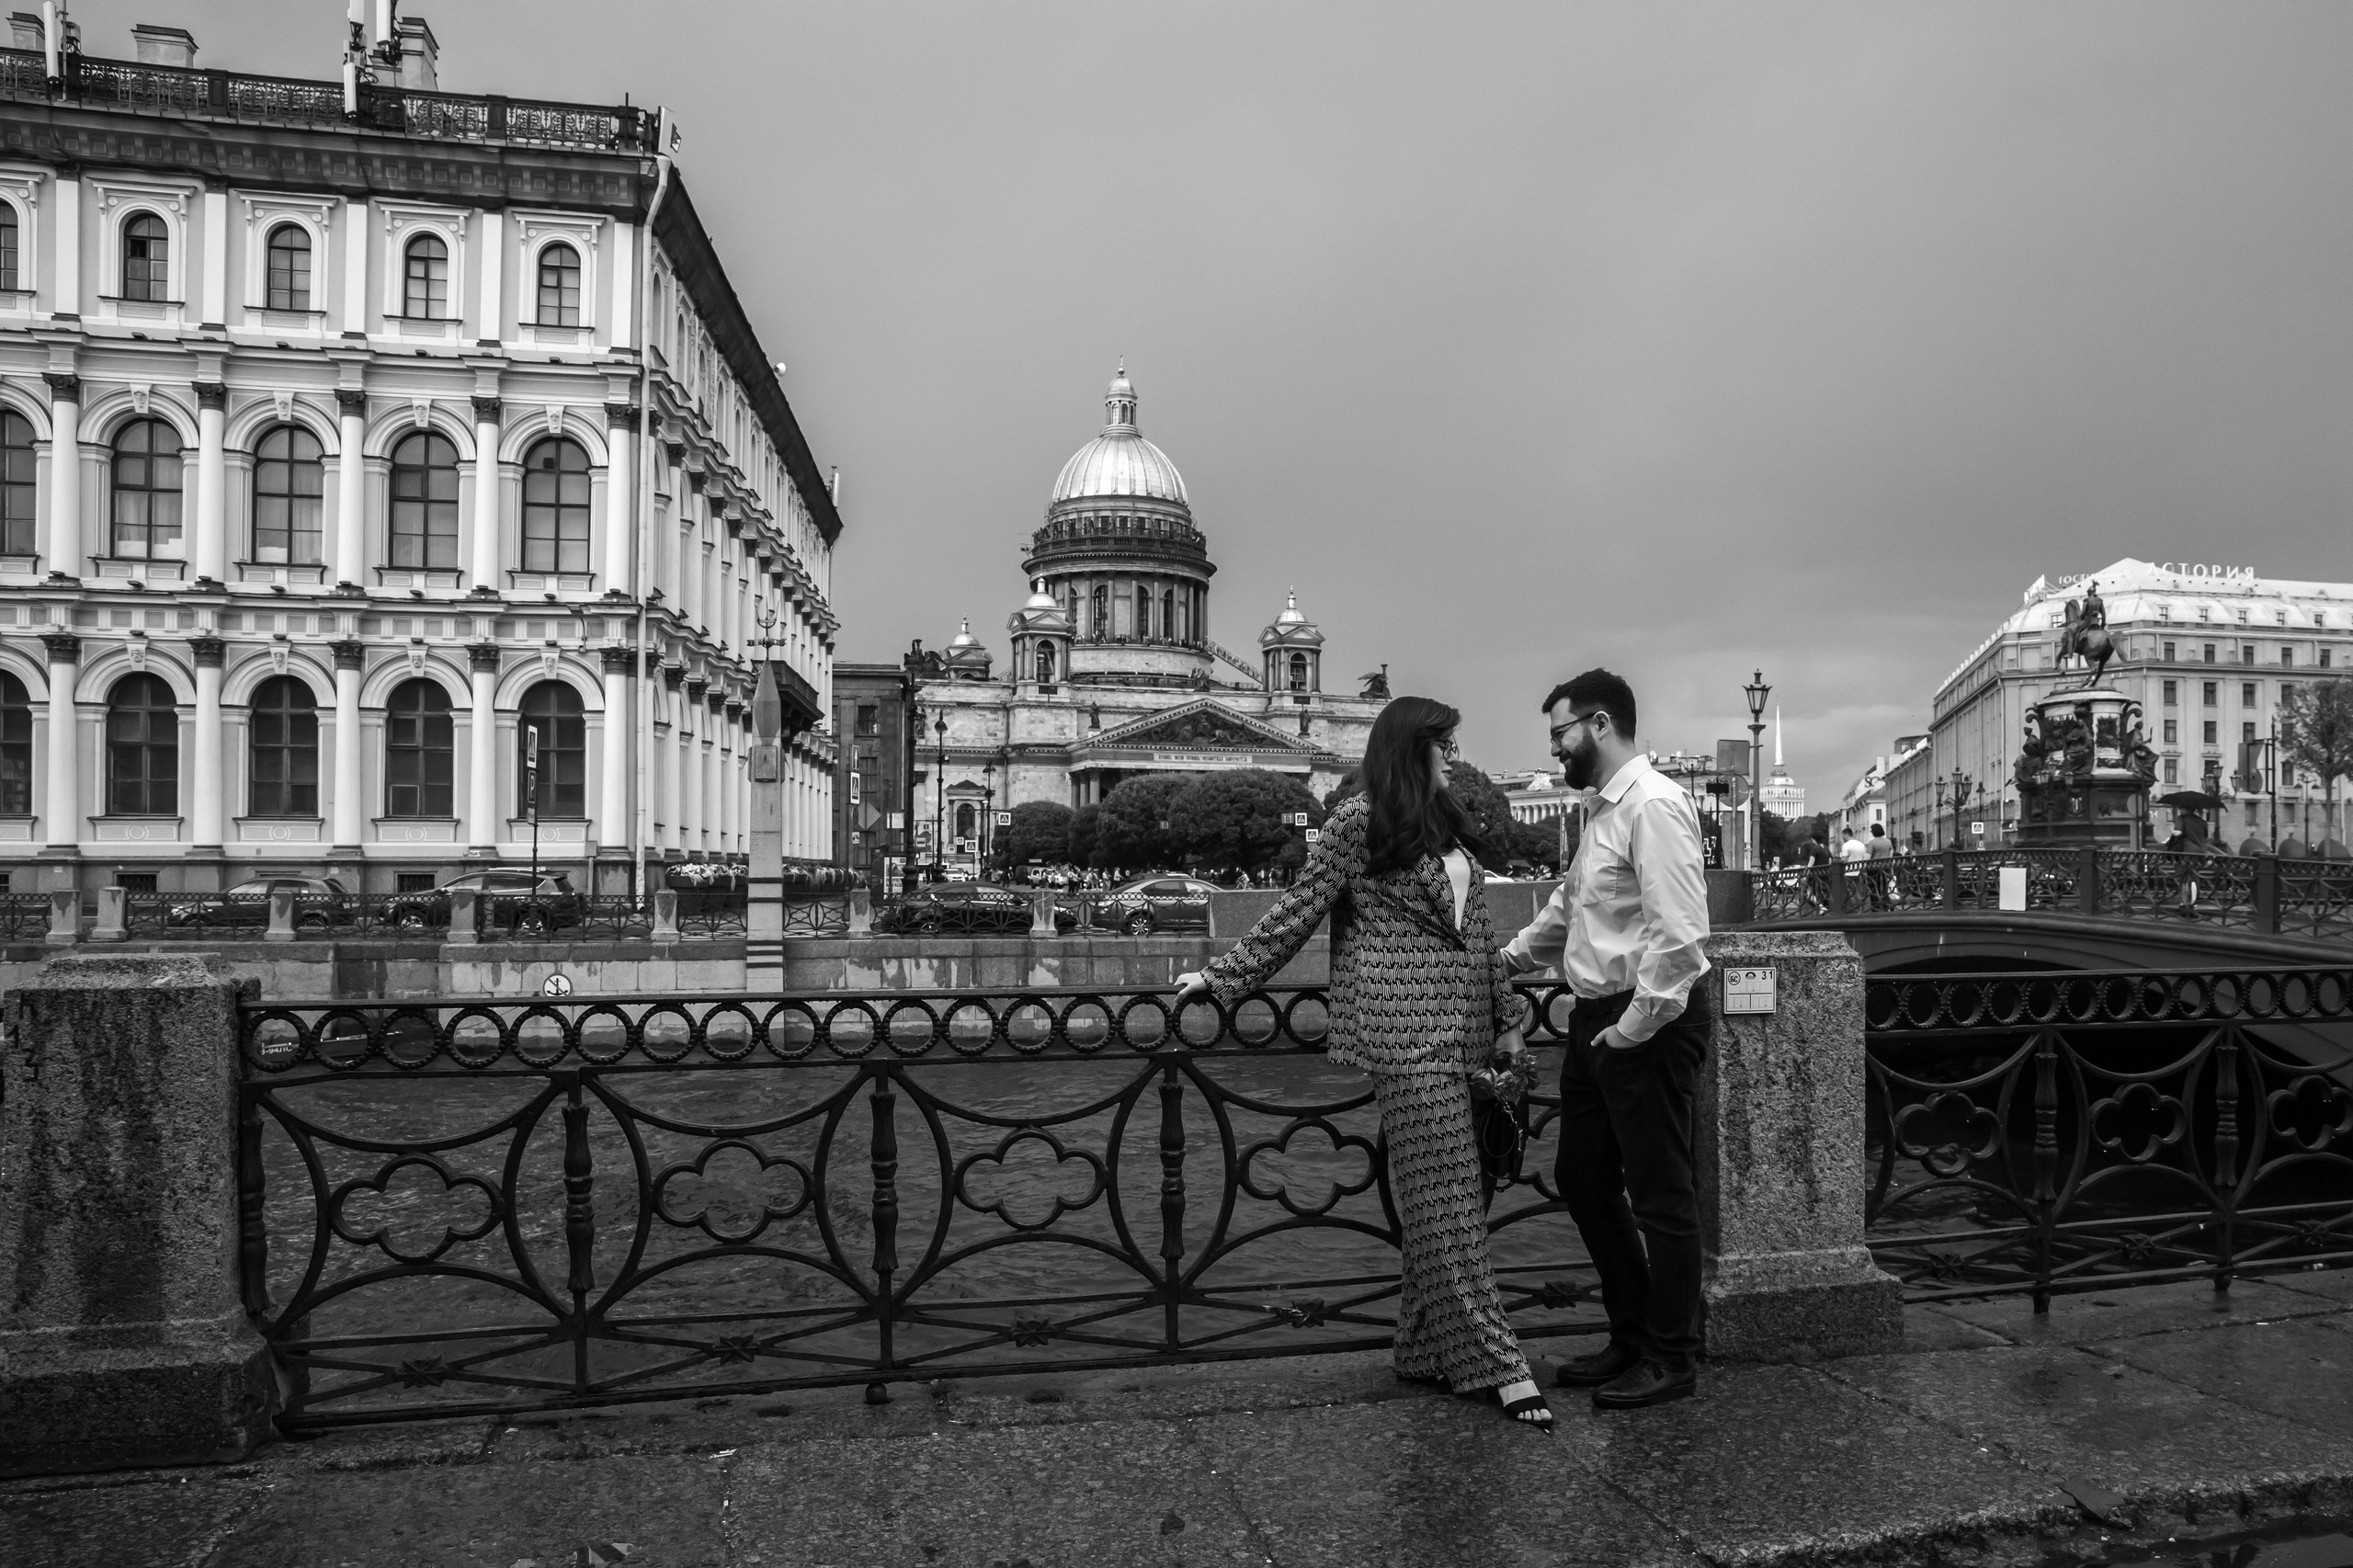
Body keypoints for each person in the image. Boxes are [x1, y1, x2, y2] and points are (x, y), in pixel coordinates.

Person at [1173, 697, 1553, 1433]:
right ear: (1409, 750)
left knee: (1455, 1200)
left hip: (1470, 1036)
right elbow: (1299, 910)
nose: (1450, 756)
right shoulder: (1356, 822)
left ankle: (1418, 1347)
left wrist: (1508, 1028)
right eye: (1441, 745)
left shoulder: (1445, 830)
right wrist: (1222, 979)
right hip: (1405, 1040)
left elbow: (1478, 937)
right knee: (1447, 1203)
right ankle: (1500, 1366)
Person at [1501, 669, 1711, 1411]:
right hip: (1600, 1017)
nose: (1555, 749)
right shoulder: (1604, 809)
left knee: (1662, 1195)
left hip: (1644, 1019)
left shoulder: (1653, 804)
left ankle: (1672, 1355)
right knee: (1585, 1179)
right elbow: (1571, 909)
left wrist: (1631, 1029)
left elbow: (1681, 938)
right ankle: (1631, 1337)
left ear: (1596, 724)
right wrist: (1509, 960)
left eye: (1559, 733)